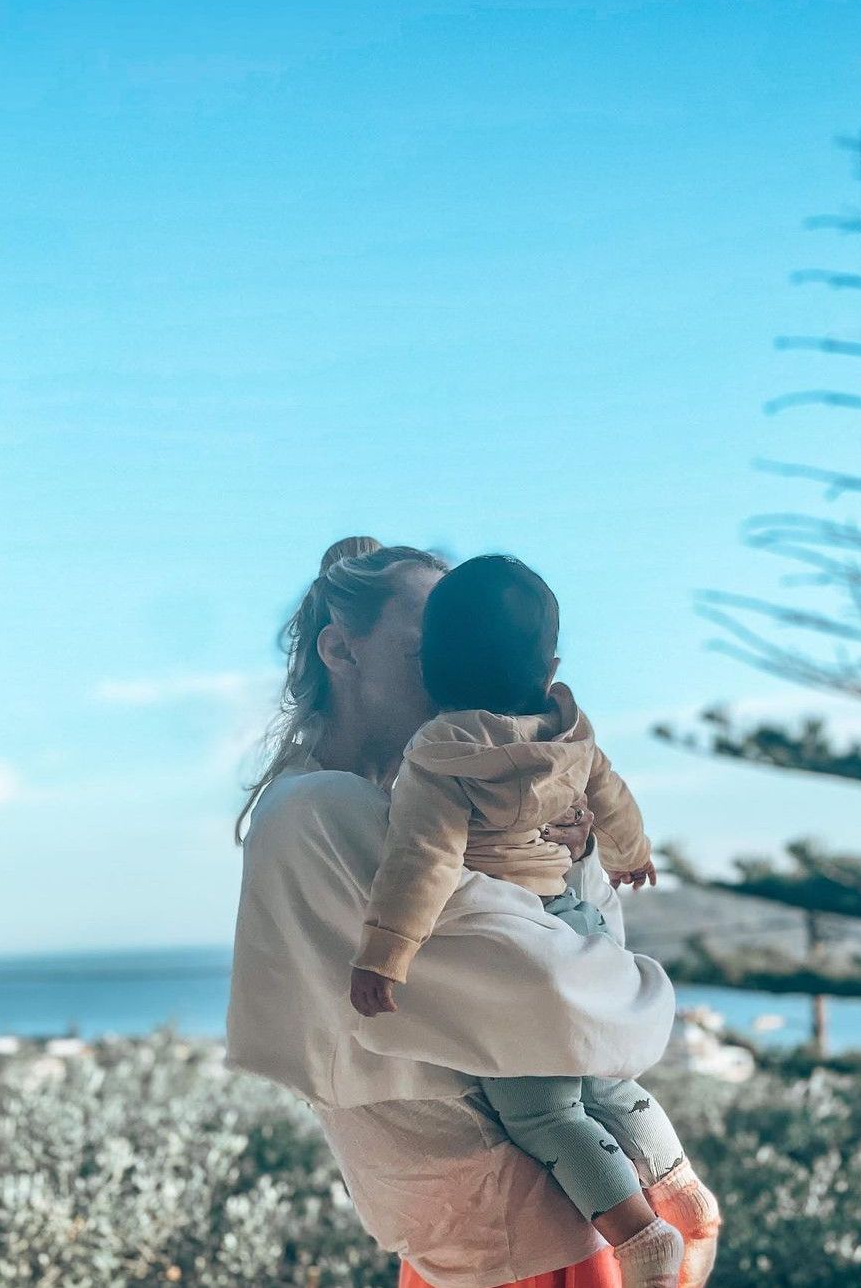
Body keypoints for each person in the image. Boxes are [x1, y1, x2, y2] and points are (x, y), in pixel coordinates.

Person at [226, 538, 720, 1288]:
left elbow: (571, 960)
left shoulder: (443, 800)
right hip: (511, 1229)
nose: (460, 666)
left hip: (529, 1222)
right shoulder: (322, 811)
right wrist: (642, 991)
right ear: (341, 649)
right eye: (428, 647)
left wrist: (566, 850)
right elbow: (555, 993)